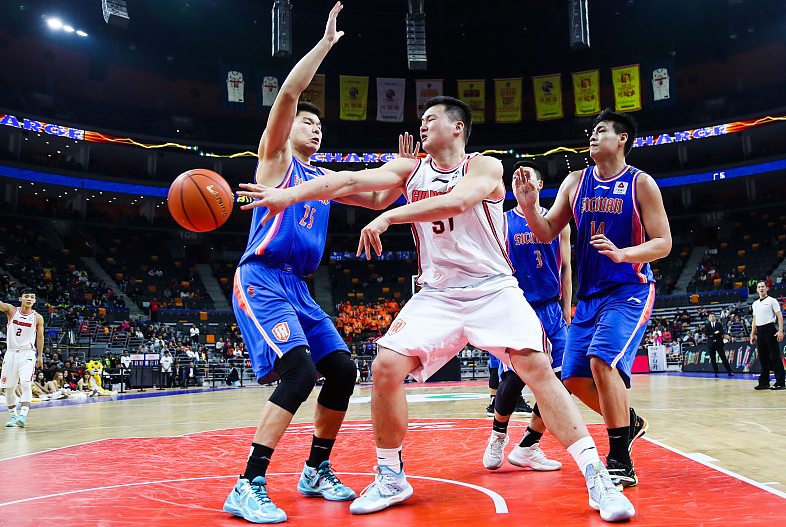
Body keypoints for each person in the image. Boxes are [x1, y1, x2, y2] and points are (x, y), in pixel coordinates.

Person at [240, 96, 635, 522]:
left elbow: (459, 202)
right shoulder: (411, 170)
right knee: (384, 368)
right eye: (421, 120)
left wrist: (390, 217)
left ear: (458, 128)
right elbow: (345, 182)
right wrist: (287, 194)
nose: (422, 125)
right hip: (438, 294)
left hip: (493, 290)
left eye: (430, 119)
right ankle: (391, 476)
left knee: (536, 370)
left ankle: (598, 478)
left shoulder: (485, 167)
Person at [222, 4, 396, 523]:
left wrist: (405, 170)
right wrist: (324, 46)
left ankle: (315, 469)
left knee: (342, 370)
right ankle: (247, 482)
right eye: (308, 123)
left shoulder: (320, 183)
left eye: (321, 127)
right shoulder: (277, 161)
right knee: (298, 375)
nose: (315, 129)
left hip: (299, 287)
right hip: (262, 279)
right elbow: (289, 94)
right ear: (290, 128)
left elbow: (379, 202)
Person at [517, 108, 672, 489]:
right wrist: (528, 207)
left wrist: (624, 254)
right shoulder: (574, 181)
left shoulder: (641, 184)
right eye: (592, 130)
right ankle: (629, 424)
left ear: (622, 139)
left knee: (602, 361)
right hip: (588, 296)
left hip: (629, 289)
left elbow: (664, 243)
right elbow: (545, 232)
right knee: (571, 377)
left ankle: (620, 459)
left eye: (602, 130)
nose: (593, 135)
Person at [482, 159, 571, 472]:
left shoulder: (557, 222)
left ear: (539, 185)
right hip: (517, 307)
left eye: (528, 178)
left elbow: (565, 268)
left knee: (563, 380)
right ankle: (497, 436)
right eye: (516, 178)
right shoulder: (503, 222)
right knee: (515, 377)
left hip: (551, 308)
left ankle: (530, 445)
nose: (522, 182)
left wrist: (566, 308)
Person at [1, 288, 44, 428]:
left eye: (32, 297)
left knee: (26, 383)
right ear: (20, 299)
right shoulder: (12, 311)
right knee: (9, 388)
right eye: (26, 296)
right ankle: (13, 415)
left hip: (27, 353)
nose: (29, 299)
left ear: (35, 301)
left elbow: (40, 337)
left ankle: (23, 415)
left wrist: (40, 356)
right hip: (11, 353)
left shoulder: (37, 317)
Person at [750, 281, 785, 390]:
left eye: (763, 287)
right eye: (759, 287)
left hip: (770, 329)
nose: (761, 288)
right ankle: (764, 382)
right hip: (760, 331)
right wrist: (752, 334)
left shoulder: (772, 301)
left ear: (767, 288)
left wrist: (780, 331)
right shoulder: (755, 304)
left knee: (774, 356)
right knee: (763, 357)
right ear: (756, 290)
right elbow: (754, 320)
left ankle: (780, 382)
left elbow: (780, 316)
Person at [704, 313, 733, 377]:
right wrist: (715, 333)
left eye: (712, 316)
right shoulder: (707, 325)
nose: (711, 318)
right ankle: (716, 372)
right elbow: (706, 333)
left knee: (723, 357)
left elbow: (721, 332)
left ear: (715, 317)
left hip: (718, 343)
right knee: (713, 358)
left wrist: (713, 334)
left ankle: (729, 371)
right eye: (710, 317)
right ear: (709, 318)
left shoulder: (719, 324)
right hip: (711, 344)